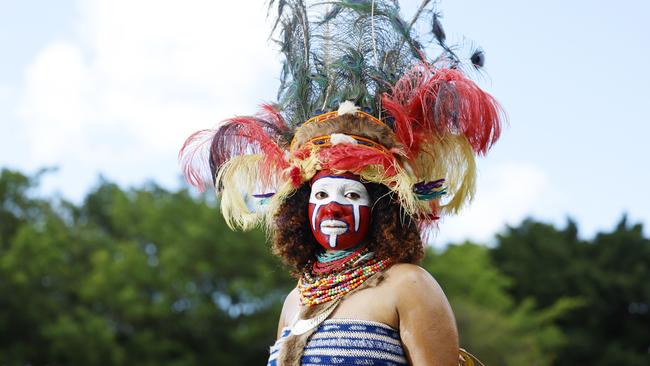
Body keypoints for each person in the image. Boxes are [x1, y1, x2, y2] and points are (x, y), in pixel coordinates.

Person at [180, 1, 502, 365]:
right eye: (320, 194)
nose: (333, 206)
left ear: (382, 206)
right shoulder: (295, 300)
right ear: (301, 209)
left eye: (351, 194)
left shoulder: (408, 285)